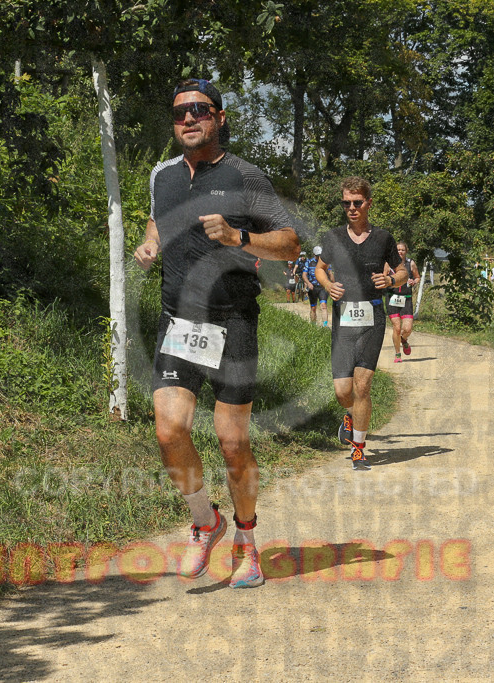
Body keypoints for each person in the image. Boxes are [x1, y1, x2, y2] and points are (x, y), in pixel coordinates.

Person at [133, 78, 300, 588]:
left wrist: (238, 236)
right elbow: (157, 220)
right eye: (179, 111)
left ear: (220, 118)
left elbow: (290, 242)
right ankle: (205, 521)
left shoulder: (246, 176)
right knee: (169, 432)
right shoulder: (162, 175)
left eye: (200, 110)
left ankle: (247, 542)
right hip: (179, 321)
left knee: (232, 442)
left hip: (233, 321)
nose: (188, 118)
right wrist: (150, 243)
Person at [315, 177, 407, 470]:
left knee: (363, 386)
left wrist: (391, 280)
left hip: (373, 317)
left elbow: (402, 271)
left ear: (369, 203)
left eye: (357, 202)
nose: (351, 208)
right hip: (343, 319)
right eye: (346, 203)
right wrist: (328, 285)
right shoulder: (333, 237)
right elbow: (320, 269)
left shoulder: (383, 238)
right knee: (344, 392)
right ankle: (350, 416)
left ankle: (358, 448)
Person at [386, 241, 417, 363]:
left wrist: (414, 281)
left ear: (406, 251)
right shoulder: (388, 264)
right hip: (392, 298)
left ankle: (403, 339)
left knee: (407, 328)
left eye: (402, 250)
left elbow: (417, 277)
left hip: (406, 298)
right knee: (397, 327)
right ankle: (397, 354)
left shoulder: (411, 263)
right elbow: (383, 277)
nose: (400, 252)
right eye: (398, 250)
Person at [303, 246, 329, 326]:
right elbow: (304, 275)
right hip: (313, 288)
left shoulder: (325, 262)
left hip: (322, 288)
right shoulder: (309, 262)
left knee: (324, 306)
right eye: (317, 255)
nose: (319, 257)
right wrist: (308, 283)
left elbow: (330, 274)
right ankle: (313, 325)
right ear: (314, 254)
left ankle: (325, 326)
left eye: (320, 255)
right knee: (313, 308)